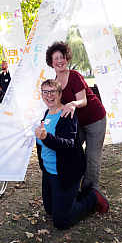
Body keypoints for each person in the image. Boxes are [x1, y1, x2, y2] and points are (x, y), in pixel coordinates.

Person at [35, 79, 109, 230]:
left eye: (52, 92)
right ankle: (71, 198)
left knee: (61, 221)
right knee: (50, 210)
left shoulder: (67, 115)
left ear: (60, 94)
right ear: (41, 94)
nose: (49, 95)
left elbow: (68, 145)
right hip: (49, 172)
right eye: (45, 92)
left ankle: (93, 198)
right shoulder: (46, 114)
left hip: (66, 172)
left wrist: (46, 137)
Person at [46, 41, 107, 191]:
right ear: (51, 62)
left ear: (67, 58)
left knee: (92, 157)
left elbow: (83, 100)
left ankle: (90, 191)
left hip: (95, 119)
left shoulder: (74, 76)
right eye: (56, 58)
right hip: (77, 123)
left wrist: (73, 103)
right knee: (72, 151)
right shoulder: (54, 82)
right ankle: (73, 185)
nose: (60, 61)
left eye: (62, 57)